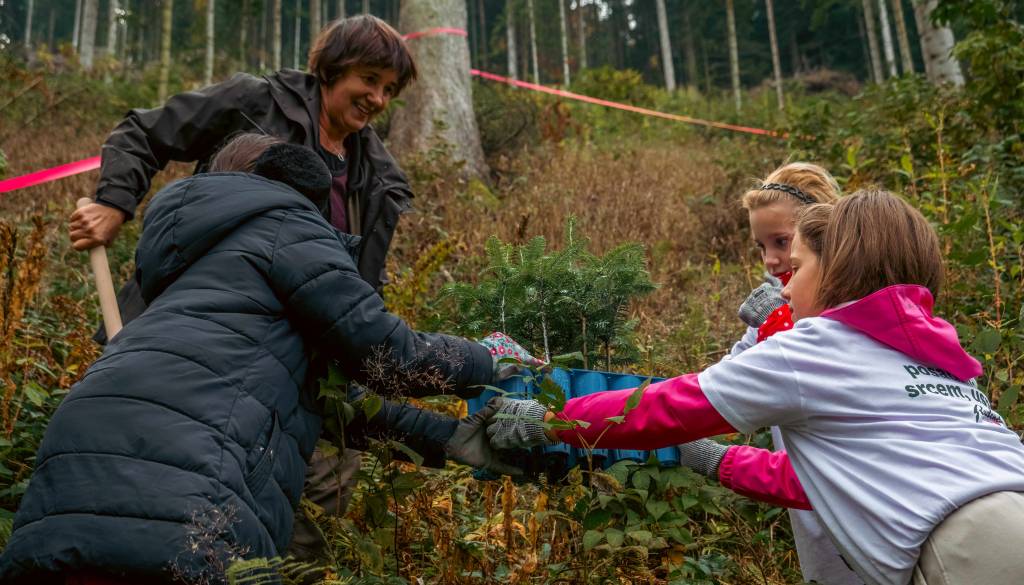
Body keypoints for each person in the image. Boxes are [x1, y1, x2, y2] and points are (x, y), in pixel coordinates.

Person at [0, 139, 527, 585]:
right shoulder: (281, 222)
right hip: (191, 490)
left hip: (66, 486)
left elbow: (312, 395)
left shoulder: (181, 265)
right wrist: (488, 358)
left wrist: (448, 438)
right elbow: (389, 356)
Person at [486, 190, 1024, 585]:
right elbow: (821, 483)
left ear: (835, 270)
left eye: (797, 267)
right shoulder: (937, 363)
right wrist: (715, 461)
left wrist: (550, 418)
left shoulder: (818, 347)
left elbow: (670, 407)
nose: (784, 282)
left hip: (968, 552)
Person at [67, 14, 421, 558]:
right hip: (200, 345)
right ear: (332, 68)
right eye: (368, 79)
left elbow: (356, 284)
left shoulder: (377, 176)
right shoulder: (256, 103)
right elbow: (144, 131)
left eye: (388, 89)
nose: (376, 97)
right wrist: (115, 203)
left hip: (297, 367)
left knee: (319, 499)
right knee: (167, 489)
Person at [676, 162, 862, 584]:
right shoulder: (775, 306)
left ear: (822, 234)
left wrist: (783, 324)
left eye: (781, 242)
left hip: (861, 507)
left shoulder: (861, 304)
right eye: (761, 247)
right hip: (806, 503)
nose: (772, 259)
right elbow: (723, 380)